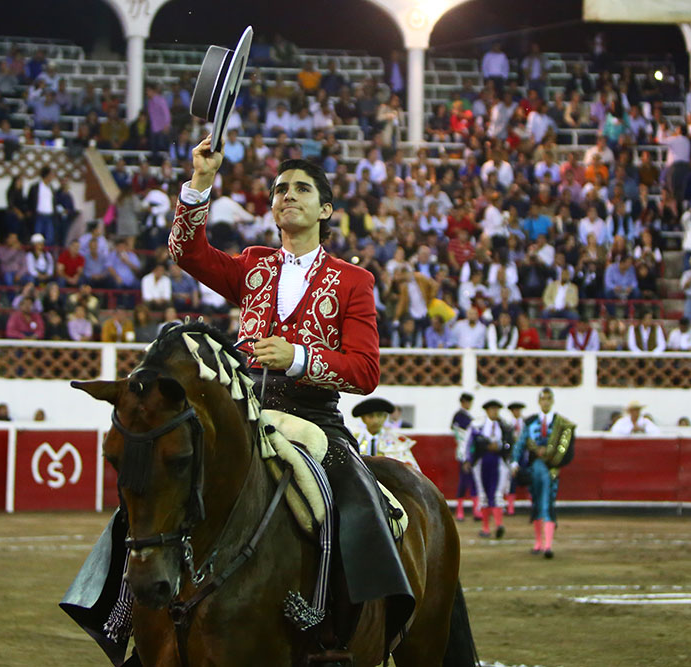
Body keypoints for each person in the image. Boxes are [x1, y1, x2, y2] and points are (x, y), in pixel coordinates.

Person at [167, 135, 413, 643]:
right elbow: (185, 252)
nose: (287, 195)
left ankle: (345, 637)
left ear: (325, 209)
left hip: (316, 422)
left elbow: (366, 372)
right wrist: (202, 181)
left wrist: (298, 358)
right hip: (245, 413)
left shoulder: (353, 281)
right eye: (280, 190)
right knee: (158, 483)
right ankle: (125, 613)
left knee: (359, 506)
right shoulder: (253, 264)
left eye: (301, 189)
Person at [511, 388, 576, 558]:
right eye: (543, 399)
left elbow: (567, 450)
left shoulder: (560, 423)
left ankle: (547, 545)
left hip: (552, 470)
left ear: (552, 400)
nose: (546, 402)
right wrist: (514, 462)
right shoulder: (530, 422)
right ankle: (539, 543)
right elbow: (520, 444)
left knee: (547, 502)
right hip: (534, 469)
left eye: (548, 399)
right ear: (539, 401)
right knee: (537, 503)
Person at [466, 400, 512, 539]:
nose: (494, 412)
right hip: (481, 461)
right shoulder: (477, 425)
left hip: (499, 461)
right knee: (483, 494)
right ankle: (486, 528)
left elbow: (510, 444)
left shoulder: (504, 426)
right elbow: (469, 444)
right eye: (492, 409)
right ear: (487, 411)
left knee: (497, 493)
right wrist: (468, 460)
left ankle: (498, 525)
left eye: (496, 409)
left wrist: (501, 447)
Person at [352, 397, 419, 470]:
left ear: (385, 417)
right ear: (363, 419)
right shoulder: (353, 439)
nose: (376, 420)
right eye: (370, 416)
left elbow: (410, 471)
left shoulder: (396, 441)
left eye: (379, 415)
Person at [451, 392, 481, 522]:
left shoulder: (463, 416)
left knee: (471, 481)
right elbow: (463, 438)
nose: (468, 404)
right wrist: (465, 457)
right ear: (463, 402)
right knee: (465, 482)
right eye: (467, 402)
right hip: (465, 454)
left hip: (468, 453)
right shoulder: (461, 417)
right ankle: (462, 511)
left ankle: (468, 510)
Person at [505, 402, 527, 515]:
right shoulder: (509, 426)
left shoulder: (526, 424)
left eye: (517, 410)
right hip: (512, 456)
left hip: (525, 454)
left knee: (529, 478)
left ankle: (534, 505)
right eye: (514, 410)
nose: (516, 412)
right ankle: (510, 507)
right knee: (511, 480)